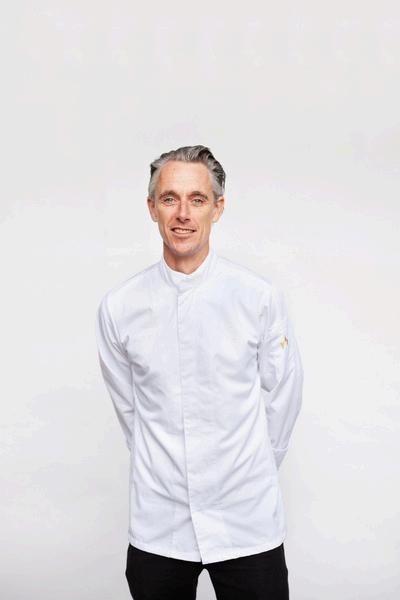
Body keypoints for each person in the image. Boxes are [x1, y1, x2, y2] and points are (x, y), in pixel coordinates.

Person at [95, 145, 304, 599]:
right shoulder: (119, 307)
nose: (183, 214)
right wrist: (163, 466)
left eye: (197, 199)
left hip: (246, 517)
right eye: (170, 198)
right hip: (160, 521)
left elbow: (283, 397)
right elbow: (130, 411)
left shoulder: (258, 298)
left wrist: (251, 469)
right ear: (152, 208)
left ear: (218, 207)